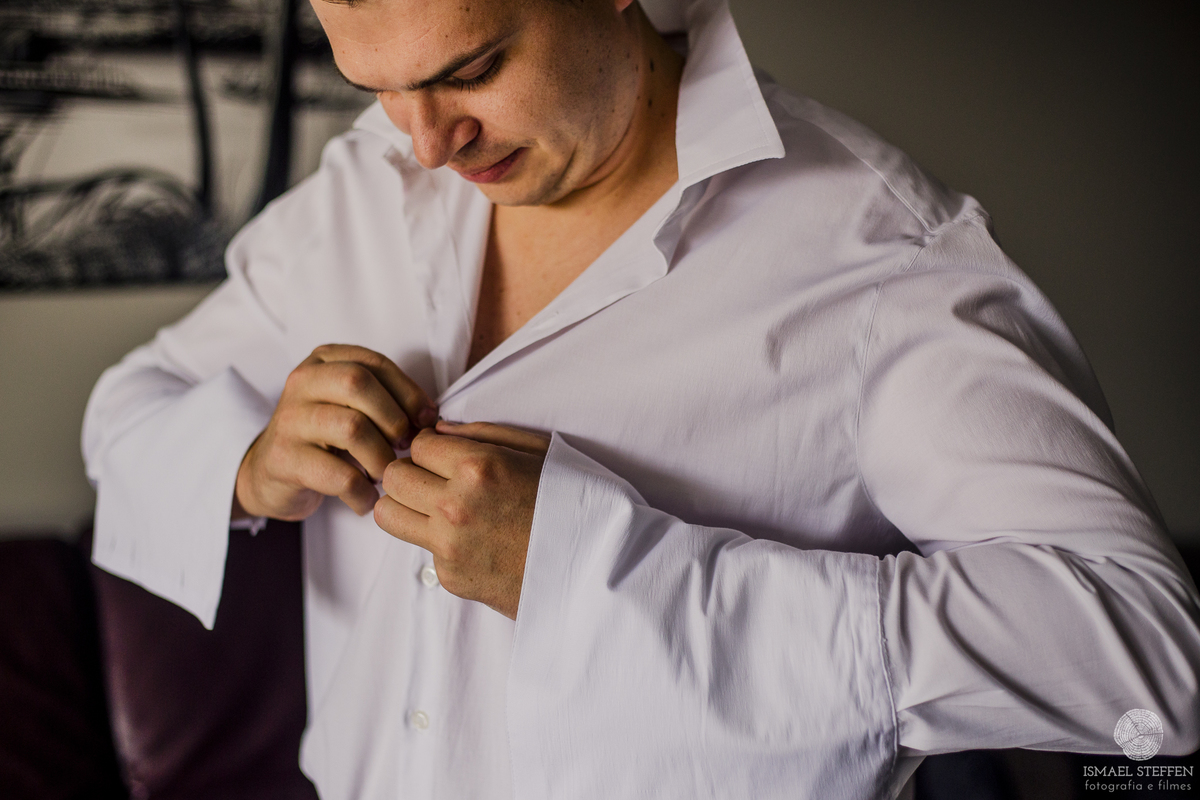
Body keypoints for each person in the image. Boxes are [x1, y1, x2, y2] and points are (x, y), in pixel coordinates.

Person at [83, 0, 1200, 797]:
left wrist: (599, 568)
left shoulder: (878, 256)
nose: (423, 141)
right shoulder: (360, 194)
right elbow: (129, 407)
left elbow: (1146, 659)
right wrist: (251, 458)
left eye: (468, 69)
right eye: (376, 85)